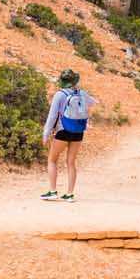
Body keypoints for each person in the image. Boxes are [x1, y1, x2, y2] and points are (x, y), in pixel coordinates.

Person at [40, 69, 94, 202]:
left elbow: (52, 116)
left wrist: (46, 134)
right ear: (74, 81)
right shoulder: (81, 93)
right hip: (78, 132)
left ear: (62, 81)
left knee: (52, 160)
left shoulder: (60, 95)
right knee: (71, 162)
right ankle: (70, 194)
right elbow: (93, 102)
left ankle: (53, 191)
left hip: (63, 131)